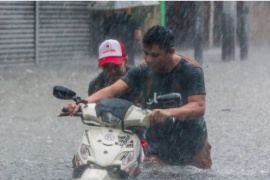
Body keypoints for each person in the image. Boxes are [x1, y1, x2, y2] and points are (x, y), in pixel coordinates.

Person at [67, 25, 212, 169]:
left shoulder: (190, 70)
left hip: (193, 145)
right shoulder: (142, 71)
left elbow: (198, 106)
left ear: (170, 52)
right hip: (157, 147)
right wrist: (81, 104)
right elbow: (112, 90)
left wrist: (168, 112)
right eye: (145, 53)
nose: (148, 59)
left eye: (154, 55)